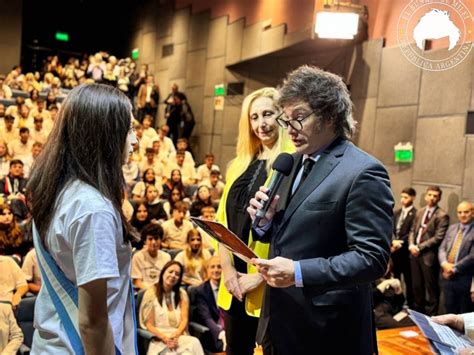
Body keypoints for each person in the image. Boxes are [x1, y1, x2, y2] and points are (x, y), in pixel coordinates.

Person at [247, 66, 393, 355]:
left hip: (328, 332)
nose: (289, 129)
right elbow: (288, 235)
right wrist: (263, 224)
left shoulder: (363, 172)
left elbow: (371, 258)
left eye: (298, 118)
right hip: (279, 321)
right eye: (285, 119)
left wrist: (299, 272)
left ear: (329, 115)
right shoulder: (291, 163)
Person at [27, 84, 139, 354]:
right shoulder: (93, 210)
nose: (135, 140)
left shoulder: (60, 190)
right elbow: (93, 322)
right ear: (105, 134)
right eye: (129, 130)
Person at [216, 87, 294, 355]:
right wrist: (228, 272)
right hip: (234, 284)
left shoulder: (292, 164)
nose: (261, 123)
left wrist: (258, 278)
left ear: (282, 116)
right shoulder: (238, 165)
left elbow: (292, 234)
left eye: (268, 114)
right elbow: (221, 224)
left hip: (271, 285)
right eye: (254, 117)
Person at [139, 261, 204, 355]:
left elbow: (184, 319)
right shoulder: (151, 293)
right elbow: (149, 325)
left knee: (194, 343)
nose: (173, 275)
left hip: (178, 336)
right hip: (159, 338)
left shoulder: (182, 294)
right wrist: (165, 338)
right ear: (163, 272)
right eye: (170, 272)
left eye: (177, 274)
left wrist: (176, 335)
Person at [408, 186, 449, 315]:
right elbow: (412, 231)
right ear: (426, 196)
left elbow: (438, 238)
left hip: (428, 257)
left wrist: (419, 247)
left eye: (435, 196)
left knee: (431, 290)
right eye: (430, 195)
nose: (432, 198)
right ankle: (417, 318)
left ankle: (431, 320)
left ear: (439, 198)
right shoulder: (420, 211)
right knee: (416, 287)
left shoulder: (442, 215)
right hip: (414, 254)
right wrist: (411, 245)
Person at [438, 201, 474, 314]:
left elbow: (472, 256)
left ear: (473, 213)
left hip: (463, 278)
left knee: (463, 313)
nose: (462, 215)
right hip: (447, 277)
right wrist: (444, 264)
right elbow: (442, 248)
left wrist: (454, 268)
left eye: (466, 212)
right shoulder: (452, 228)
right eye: (460, 212)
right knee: (448, 311)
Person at [195, 255, 226, 353]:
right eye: (212, 267)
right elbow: (206, 318)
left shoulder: (228, 286)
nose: (216, 270)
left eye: (219, 267)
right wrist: (221, 333)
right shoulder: (201, 291)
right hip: (213, 333)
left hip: (229, 329)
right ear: (207, 270)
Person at [392, 187, 417, 308]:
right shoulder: (396, 212)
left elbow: (413, 232)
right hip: (394, 251)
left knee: (409, 280)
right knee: (395, 279)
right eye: (401, 197)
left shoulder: (416, 214)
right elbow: (391, 229)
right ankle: (396, 304)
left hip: (406, 252)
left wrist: (400, 242)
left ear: (413, 197)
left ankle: (410, 305)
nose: (403, 200)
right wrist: (393, 241)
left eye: (406, 197)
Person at [131, 223, 171, 290]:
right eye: (150, 239)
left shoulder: (166, 257)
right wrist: (151, 291)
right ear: (145, 241)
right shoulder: (137, 257)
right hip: (144, 291)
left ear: (161, 240)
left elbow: (167, 280)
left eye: (156, 238)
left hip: (161, 291)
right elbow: (137, 282)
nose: (153, 242)